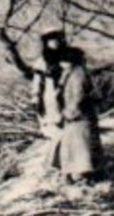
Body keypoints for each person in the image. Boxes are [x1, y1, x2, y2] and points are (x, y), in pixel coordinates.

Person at [35, 30, 101, 183]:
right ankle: (70, 171)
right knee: (70, 143)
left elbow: (78, 94)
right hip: (66, 112)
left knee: (81, 145)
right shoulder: (65, 71)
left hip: (77, 115)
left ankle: (81, 173)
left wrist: (70, 112)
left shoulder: (77, 74)